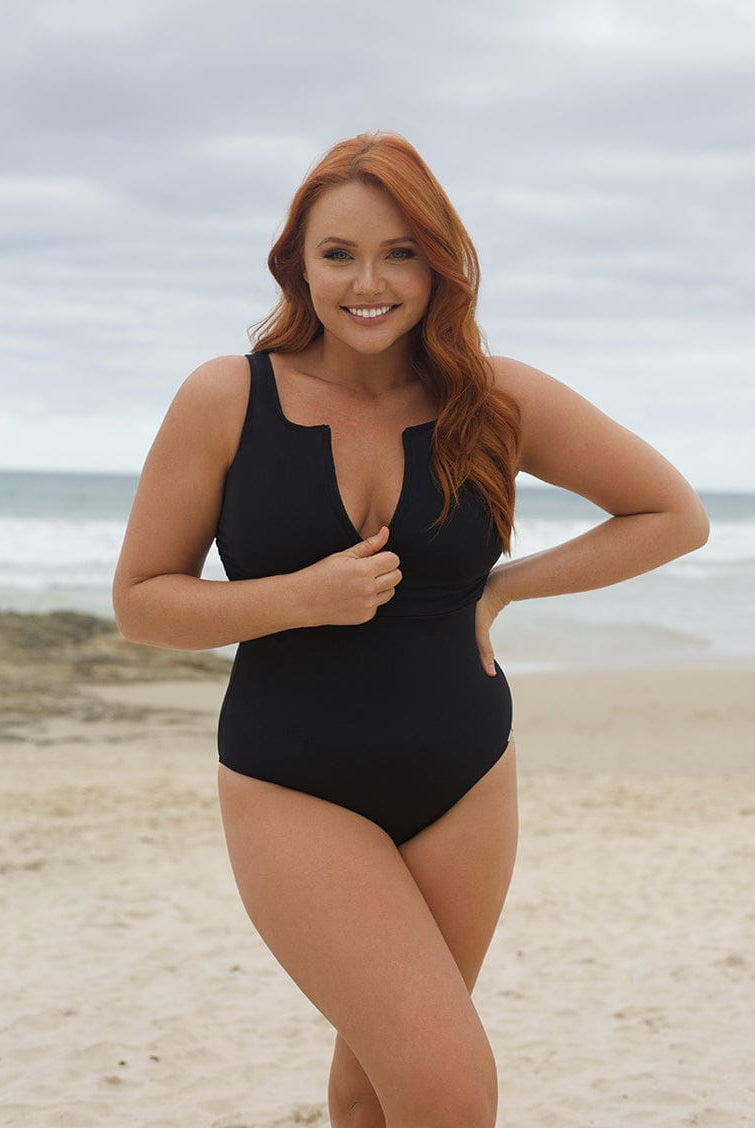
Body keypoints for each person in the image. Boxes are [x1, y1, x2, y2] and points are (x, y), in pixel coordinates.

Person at [112, 131, 709, 1128]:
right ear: (297, 264)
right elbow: (142, 602)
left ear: (438, 261)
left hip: (465, 775)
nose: (368, 283)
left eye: (399, 253)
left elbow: (670, 517)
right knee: (446, 1084)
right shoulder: (226, 397)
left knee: (374, 1087)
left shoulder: (492, 396)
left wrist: (501, 590)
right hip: (291, 782)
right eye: (338, 253)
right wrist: (294, 599)